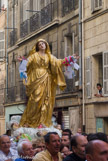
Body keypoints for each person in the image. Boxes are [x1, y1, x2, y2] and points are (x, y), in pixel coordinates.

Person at [19, 39, 67, 128]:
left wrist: (69, 59)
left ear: (46, 45)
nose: (41, 45)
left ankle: (43, 121)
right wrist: (23, 61)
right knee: (35, 100)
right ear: (37, 47)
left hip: (46, 79)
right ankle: (30, 121)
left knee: (46, 100)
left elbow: (58, 62)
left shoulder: (50, 57)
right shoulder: (34, 56)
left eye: (43, 43)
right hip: (35, 79)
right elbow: (26, 64)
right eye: (39, 44)